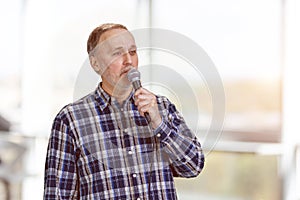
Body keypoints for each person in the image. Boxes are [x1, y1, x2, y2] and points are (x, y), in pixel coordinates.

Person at [44, 23, 205, 200]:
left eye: (133, 52)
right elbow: (57, 194)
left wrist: (159, 124)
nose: (128, 60)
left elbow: (193, 166)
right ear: (95, 63)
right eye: (117, 53)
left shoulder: (162, 107)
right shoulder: (71, 119)